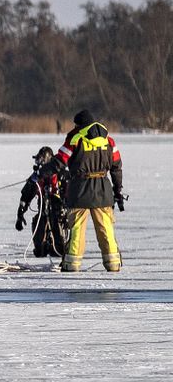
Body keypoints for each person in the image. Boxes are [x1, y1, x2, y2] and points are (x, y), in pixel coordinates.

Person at [40, 110, 124, 272]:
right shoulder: (109, 140)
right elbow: (116, 167)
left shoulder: (75, 139)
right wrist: (117, 190)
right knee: (106, 228)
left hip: (80, 189)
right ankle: (113, 263)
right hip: (103, 189)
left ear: (79, 125)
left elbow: (59, 161)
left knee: (77, 228)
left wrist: (43, 172)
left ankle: (71, 264)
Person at [15, 146, 66, 257]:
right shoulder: (36, 178)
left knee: (59, 247)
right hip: (42, 212)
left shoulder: (61, 176)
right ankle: (42, 246)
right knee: (40, 251)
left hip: (59, 213)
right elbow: (26, 196)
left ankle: (59, 247)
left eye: (41, 161)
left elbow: (70, 194)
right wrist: (20, 214)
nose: (39, 164)